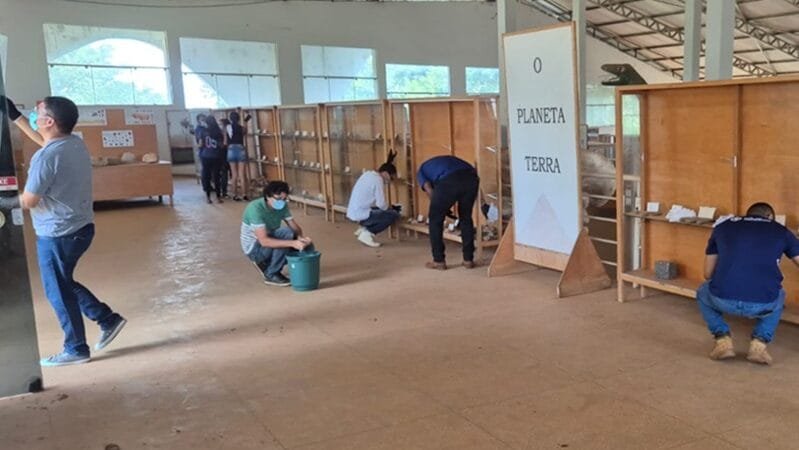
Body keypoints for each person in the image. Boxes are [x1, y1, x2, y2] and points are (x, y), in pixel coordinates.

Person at [0, 96, 126, 367]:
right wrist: (15, 116)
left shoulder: (45, 158)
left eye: (37, 113)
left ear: (49, 122)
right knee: (63, 282)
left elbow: (30, 200)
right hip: (80, 228)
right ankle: (107, 319)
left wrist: (5, 202)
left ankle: (76, 348)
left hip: (57, 234)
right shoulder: (72, 143)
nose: (33, 114)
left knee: (57, 290)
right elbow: (44, 141)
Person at [698, 202, 799, 365]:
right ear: (770, 217)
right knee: (779, 294)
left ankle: (722, 341)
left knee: (703, 292)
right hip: (763, 303)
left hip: (722, 300)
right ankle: (759, 344)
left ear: (748, 214)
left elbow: (707, 274)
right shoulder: (781, 231)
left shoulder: (722, 227)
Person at [240, 180, 314, 287]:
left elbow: (294, 226)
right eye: (278, 199)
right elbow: (264, 241)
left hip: (268, 239)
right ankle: (271, 274)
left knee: (296, 239)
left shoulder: (282, 206)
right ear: (268, 196)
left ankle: (268, 264)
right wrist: (292, 243)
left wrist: (300, 238)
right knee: (286, 238)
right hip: (254, 248)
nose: (282, 202)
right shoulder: (255, 209)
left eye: (284, 199)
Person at [416, 155, 479, 270]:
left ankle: (439, 261)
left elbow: (430, 191)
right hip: (471, 177)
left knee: (435, 220)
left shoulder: (421, 172)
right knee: (466, 218)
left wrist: (441, 208)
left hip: (449, 180)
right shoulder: (441, 162)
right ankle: (468, 260)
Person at [346, 150, 401, 248]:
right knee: (393, 215)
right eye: (391, 178)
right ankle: (367, 233)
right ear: (386, 173)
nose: (390, 181)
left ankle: (363, 228)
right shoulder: (378, 180)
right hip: (361, 214)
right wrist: (391, 208)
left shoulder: (368, 174)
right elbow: (381, 205)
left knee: (382, 211)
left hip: (354, 211)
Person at [199, 115, 225, 204]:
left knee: (207, 176)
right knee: (217, 176)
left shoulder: (203, 131)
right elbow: (222, 145)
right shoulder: (218, 132)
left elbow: (200, 144)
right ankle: (218, 197)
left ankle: (208, 197)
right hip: (216, 156)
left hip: (205, 156)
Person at [225, 111, 249, 202]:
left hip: (230, 150)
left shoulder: (227, 128)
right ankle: (244, 194)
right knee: (242, 174)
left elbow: (225, 141)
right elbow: (245, 132)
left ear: (230, 118)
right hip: (240, 148)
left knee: (234, 174)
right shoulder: (241, 128)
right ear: (238, 119)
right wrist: (246, 121)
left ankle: (234, 195)